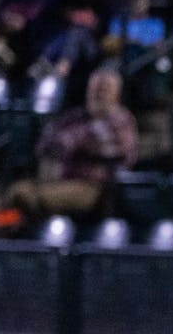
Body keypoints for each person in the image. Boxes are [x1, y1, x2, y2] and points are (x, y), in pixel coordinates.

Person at [7, 67, 136, 222]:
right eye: (95, 88)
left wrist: (71, 142)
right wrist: (71, 143)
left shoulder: (121, 119)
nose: (99, 93)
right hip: (56, 180)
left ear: (116, 94)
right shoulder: (74, 116)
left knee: (43, 199)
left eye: (105, 88)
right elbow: (44, 145)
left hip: (92, 186)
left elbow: (108, 149)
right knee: (18, 192)